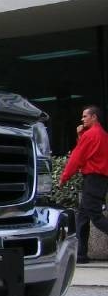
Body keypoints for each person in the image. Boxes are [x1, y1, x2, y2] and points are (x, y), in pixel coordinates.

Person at [60, 105, 108, 263]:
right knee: (83, 216)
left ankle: (81, 254)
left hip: (93, 179)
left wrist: (64, 177)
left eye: (85, 116)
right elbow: (89, 152)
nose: (82, 119)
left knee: (94, 216)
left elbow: (77, 156)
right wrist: (81, 134)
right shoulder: (102, 134)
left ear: (94, 117)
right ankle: (81, 254)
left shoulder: (91, 134)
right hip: (100, 180)